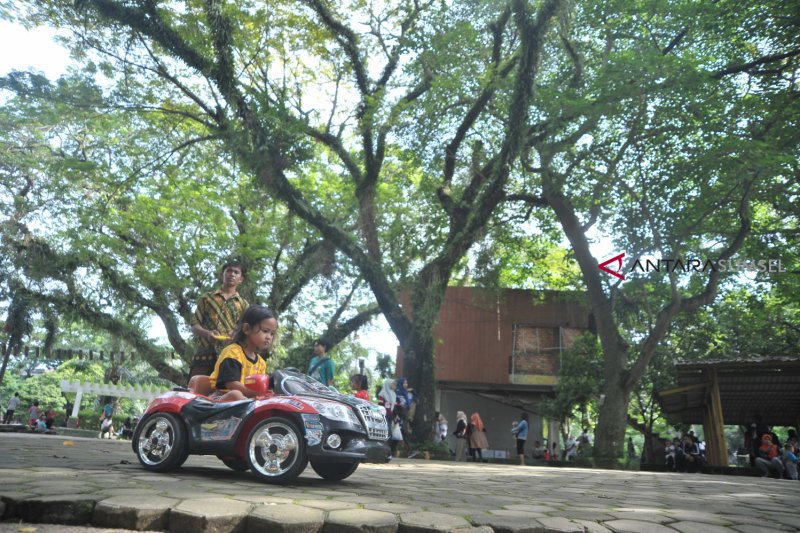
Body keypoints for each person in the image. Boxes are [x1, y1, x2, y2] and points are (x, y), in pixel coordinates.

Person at [190, 259, 249, 377]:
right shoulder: (206, 298)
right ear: (222, 274)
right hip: (205, 355)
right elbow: (194, 325)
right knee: (197, 389)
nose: (232, 274)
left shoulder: (244, 304)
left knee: (225, 391)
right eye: (229, 271)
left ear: (241, 279)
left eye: (236, 272)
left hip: (231, 356)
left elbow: (245, 329)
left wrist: (236, 333)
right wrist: (207, 333)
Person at [208, 305, 276, 402]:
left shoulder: (261, 362)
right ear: (247, 329)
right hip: (223, 397)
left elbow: (259, 386)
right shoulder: (233, 352)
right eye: (265, 331)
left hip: (247, 399)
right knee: (236, 394)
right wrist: (255, 394)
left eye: (272, 333)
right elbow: (230, 384)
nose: (269, 337)